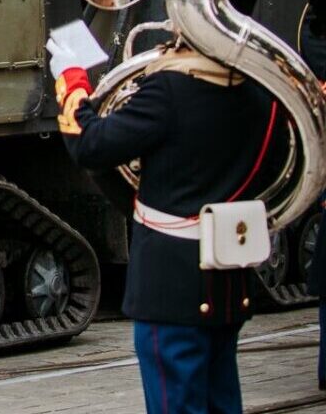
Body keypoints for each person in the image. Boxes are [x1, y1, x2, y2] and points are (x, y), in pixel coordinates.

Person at [55, 42, 270, 413]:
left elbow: (91, 146)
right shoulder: (260, 90)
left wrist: (74, 84)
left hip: (173, 283)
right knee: (221, 400)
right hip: (229, 280)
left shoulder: (170, 90)